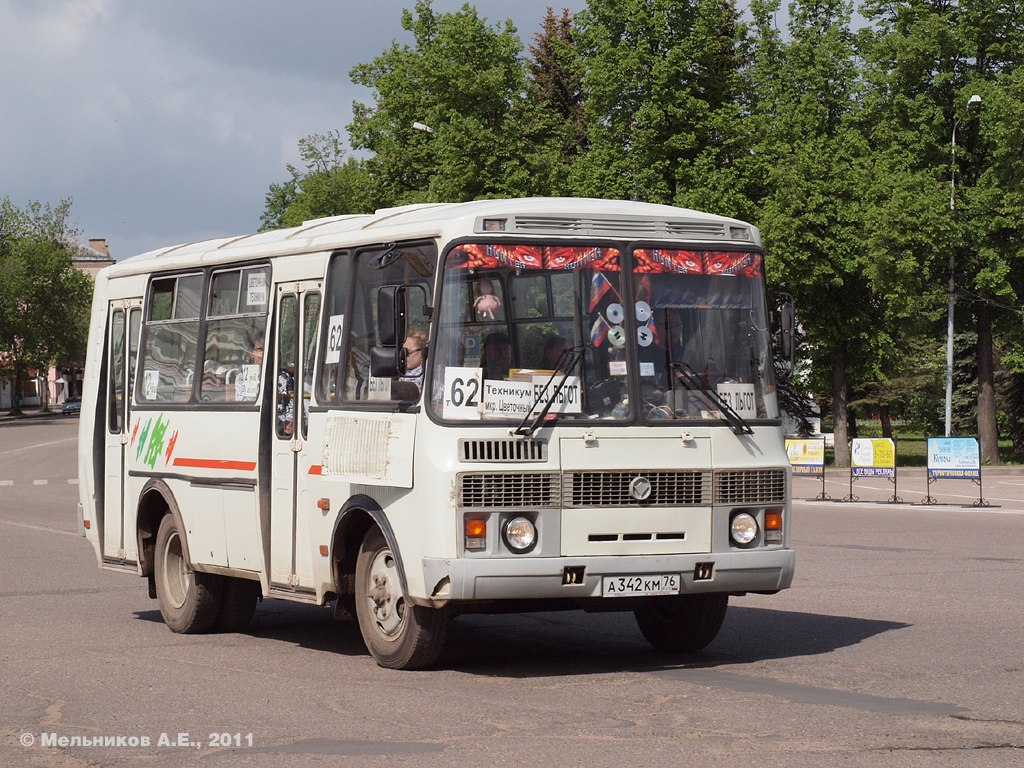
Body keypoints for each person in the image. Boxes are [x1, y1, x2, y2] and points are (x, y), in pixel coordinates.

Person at [398, 330, 428, 395]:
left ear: (422, 352)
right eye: (402, 352)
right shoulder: (405, 373)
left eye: (407, 352)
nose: (404, 356)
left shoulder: (424, 375)